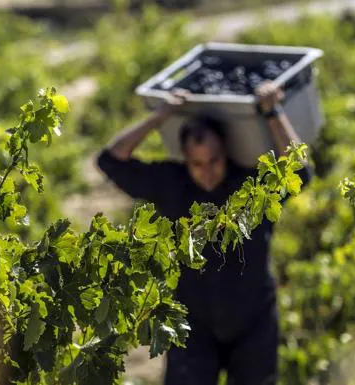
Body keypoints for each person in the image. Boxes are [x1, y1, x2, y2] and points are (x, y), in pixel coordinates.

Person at [97, 82, 312, 385]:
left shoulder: (250, 186)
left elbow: (300, 172)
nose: (207, 171)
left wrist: (272, 111)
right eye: (197, 163)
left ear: (227, 151)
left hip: (253, 320)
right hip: (193, 324)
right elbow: (110, 160)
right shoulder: (172, 184)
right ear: (185, 159)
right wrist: (161, 115)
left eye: (214, 160)